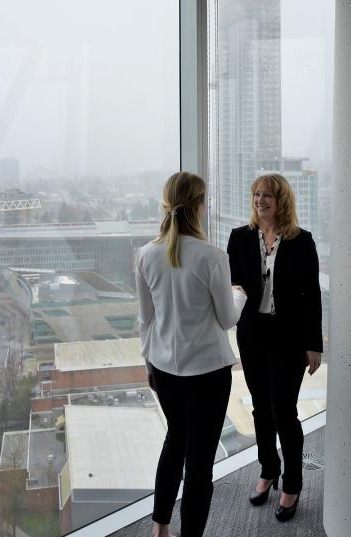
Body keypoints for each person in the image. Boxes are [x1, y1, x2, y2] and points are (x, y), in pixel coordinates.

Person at [136, 171, 247, 537]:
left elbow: (145, 321)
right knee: (199, 465)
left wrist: (149, 364)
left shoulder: (145, 255)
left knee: (174, 442)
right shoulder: (212, 256)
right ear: (199, 206)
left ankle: (159, 528)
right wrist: (239, 293)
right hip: (208, 374)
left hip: (165, 370)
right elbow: (228, 318)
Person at [226, 173, 323, 522]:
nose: (260, 200)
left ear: (282, 200)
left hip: (289, 337)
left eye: (267, 195)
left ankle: (292, 484)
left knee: (284, 411)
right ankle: (269, 470)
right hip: (252, 335)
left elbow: (312, 295)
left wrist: (314, 345)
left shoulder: (301, 241)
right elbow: (231, 286)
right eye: (256, 194)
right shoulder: (239, 239)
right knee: (260, 411)